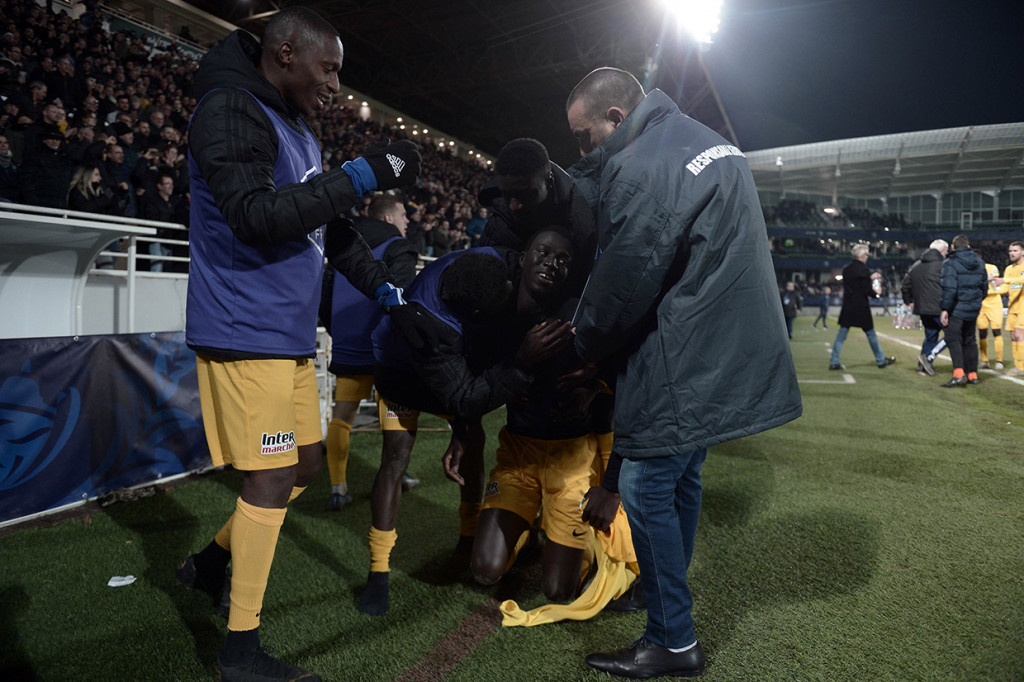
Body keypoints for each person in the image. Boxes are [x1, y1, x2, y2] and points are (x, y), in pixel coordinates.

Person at [174, 9, 421, 681]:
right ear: (285, 53)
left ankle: (209, 564)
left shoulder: (300, 129)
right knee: (275, 475)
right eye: (330, 68)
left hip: (285, 337)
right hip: (242, 327)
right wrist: (362, 177)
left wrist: (384, 290)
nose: (337, 86)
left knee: (307, 466)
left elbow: (332, 232)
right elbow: (256, 219)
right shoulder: (227, 109)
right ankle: (240, 651)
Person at [563, 67, 801, 679]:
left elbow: (622, 284)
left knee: (644, 488)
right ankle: (662, 598)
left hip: (682, 353)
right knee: (684, 475)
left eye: (585, 136)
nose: (582, 151)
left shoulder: (645, 167)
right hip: (720, 348)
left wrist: (583, 342)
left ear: (615, 119)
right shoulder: (702, 138)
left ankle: (672, 639)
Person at [359, 247, 571, 616]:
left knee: (472, 442)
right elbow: (462, 395)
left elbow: (470, 369)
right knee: (395, 457)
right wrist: (516, 365)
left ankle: (468, 539)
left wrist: (463, 428)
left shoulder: (485, 260)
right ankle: (378, 571)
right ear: (472, 314)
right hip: (401, 374)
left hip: (453, 366)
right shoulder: (436, 331)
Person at [322, 194, 420, 512]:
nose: (408, 220)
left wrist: (341, 331)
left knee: (342, 417)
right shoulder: (399, 246)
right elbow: (404, 293)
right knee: (393, 417)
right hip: (384, 346)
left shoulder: (342, 240)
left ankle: (338, 488)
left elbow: (324, 295)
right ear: (389, 218)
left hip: (349, 345)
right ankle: (397, 474)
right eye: (404, 213)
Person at [478, 137, 596, 293]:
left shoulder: (581, 222)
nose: (514, 206)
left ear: (548, 181)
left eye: (524, 194)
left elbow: (578, 286)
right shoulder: (499, 217)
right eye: (506, 194)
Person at [829, 244, 897, 370]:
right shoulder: (864, 270)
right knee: (871, 335)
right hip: (861, 308)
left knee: (841, 336)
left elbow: (855, 284)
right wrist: (876, 294)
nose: (867, 257)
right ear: (861, 256)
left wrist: (869, 279)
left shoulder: (846, 270)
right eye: (866, 255)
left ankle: (834, 361)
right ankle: (881, 360)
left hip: (848, 307)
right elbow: (865, 289)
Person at [938, 234, 987, 387]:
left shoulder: (950, 263)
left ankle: (959, 374)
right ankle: (972, 375)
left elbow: (950, 289)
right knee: (970, 339)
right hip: (973, 307)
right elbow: (984, 288)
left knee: (952, 338)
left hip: (958, 308)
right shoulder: (980, 263)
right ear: (968, 246)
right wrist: (976, 301)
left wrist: (945, 308)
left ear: (953, 247)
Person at [901, 239, 948, 376]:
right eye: (946, 251)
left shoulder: (916, 265)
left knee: (931, 336)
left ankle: (921, 365)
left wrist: (908, 301)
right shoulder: (943, 265)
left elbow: (905, 285)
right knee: (953, 335)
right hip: (938, 308)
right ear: (941, 251)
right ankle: (928, 358)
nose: (946, 253)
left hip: (922, 309)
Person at [993, 241, 1024, 377]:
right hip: (1012, 307)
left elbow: (1022, 280)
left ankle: (1021, 367)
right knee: (1013, 336)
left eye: (1015, 251)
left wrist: (1005, 280)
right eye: (1010, 251)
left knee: (1019, 334)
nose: (1012, 253)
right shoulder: (1008, 269)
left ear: (1023, 252)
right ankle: (1018, 365)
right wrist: (992, 289)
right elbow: (1006, 288)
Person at [976, 260, 1006, 371]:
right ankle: (984, 361)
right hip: (981, 306)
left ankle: (999, 361)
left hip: (994, 305)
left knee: (996, 331)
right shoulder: (973, 270)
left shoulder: (991, 266)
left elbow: (994, 278)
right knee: (982, 333)